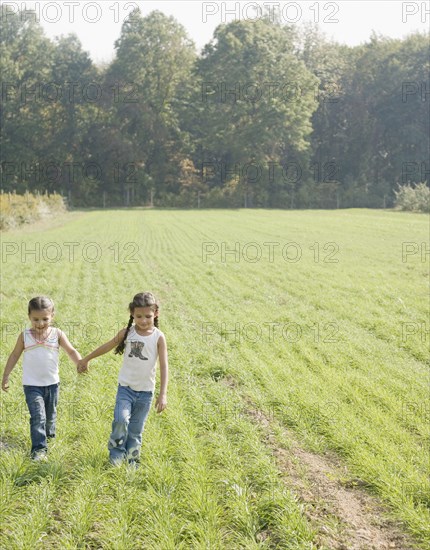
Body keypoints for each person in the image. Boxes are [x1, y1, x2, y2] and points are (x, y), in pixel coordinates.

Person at [77, 292, 168, 467]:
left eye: (147, 316)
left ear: (156, 313)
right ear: (132, 313)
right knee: (121, 421)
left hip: (146, 393)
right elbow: (107, 346)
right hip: (125, 389)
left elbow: (164, 366)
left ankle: (132, 460)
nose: (143, 321)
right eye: (138, 316)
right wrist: (86, 359)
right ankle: (116, 455)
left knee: (135, 431)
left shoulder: (158, 337)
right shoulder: (127, 333)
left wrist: (162, 394)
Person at [1, 296, 82, 460]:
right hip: (32, 386)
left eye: (44, 319)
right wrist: (6, 375)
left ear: (52, 315)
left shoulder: (57, 334)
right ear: (29, 316)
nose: (40, 323)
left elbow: (71, 351)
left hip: (52, 384)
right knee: (38, 417)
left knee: (50, 416)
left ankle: (49, 437)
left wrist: (80, 362)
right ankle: (39, 450)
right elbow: (14, 355)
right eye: (35, 319)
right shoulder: (25, 336)